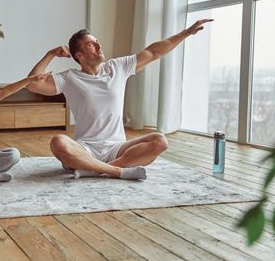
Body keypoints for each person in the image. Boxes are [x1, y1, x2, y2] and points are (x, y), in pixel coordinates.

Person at [27, 19, 213, 180]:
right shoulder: (69, 78)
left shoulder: (118, 67)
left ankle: (98, 170)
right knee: (58, 142)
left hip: (117, 148)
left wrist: (187, 32)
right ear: (80, 56)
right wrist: (51, 53)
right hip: (85, 150)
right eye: (91, 45)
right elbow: (32, 84)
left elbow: (154, 52)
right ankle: (116, 171)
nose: (99, 46)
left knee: (160, 141)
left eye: (97, 42)